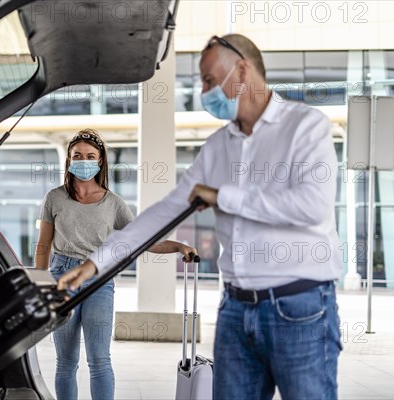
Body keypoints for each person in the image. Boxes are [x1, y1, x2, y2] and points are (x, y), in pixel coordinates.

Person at [57, 35, 343, 400]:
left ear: (242, 69)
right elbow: (165, 211)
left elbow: (312, 206)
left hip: (299, 308)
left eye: (209, 79)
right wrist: (97, 263)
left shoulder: (305, 126)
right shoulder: (217, 147)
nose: (204, 90)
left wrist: (224, 196)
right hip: (235, 310)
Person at [34, 128, 196, 400]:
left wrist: (178, 247)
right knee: (66, 362)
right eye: (76, 155)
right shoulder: (54, 197)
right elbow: (43, 246)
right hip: (61, 278)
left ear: (99, 162)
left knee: (99, 360)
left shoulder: (114, 203)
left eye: (89, 156)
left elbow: (143, 239)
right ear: (69, 160)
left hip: (99, 281)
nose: (82, 160)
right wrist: (41, 284)